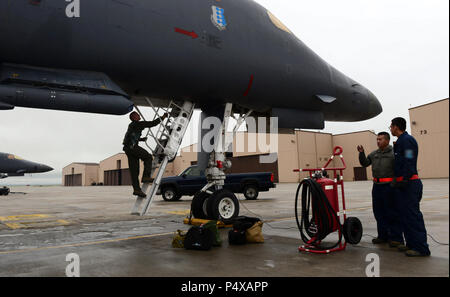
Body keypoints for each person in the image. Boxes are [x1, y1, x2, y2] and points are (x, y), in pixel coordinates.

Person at [390, 117, 431, 257]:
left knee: (412, 216)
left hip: (409, 184)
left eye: (391, 126)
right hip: (403, 184)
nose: (390, 128)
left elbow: (409, 159)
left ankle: (421, 248)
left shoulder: (407, 140)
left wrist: (405, 180)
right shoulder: (401, 141)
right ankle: (411, 244)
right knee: (404, 216)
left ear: (396, 127)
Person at [358, 132, 404, 248]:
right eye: (377, 139)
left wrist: (395, 183)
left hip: (389, 186)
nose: (378, 141)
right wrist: (361, 153)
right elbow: (365, 163)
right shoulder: (374, 154)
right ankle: (383, 236)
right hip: (377, 186)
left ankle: (396, 238)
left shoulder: (394, 153)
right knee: (379, 212)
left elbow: (401, 168)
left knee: (392, 213)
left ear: (387, 140)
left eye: (380, 139)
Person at [123, 111, 168, 198]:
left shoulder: (132, 125)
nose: (139, 115)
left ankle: (136, 190)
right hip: (132, 148)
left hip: (128, 148)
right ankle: (146, 177)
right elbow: (153, 123)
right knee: (148, 157)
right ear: (135, 117)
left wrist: (141, 139)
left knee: (134, 170)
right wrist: (163, 117)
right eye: (138, 115)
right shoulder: (138, 124)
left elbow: (131, 136)